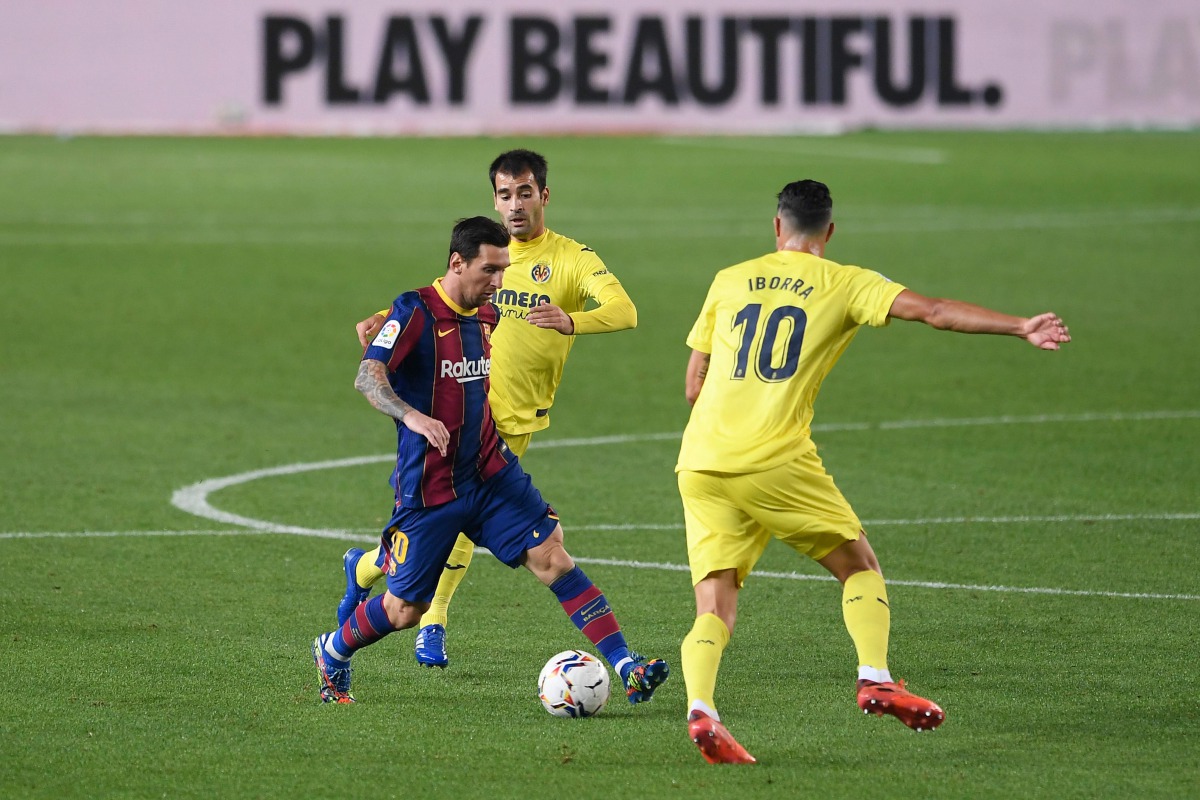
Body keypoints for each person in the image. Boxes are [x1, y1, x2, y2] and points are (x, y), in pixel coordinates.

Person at [676, 180, 1070, 764]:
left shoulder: (729, 278)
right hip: (774, 455)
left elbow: (693, 385)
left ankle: (702, 710)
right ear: (829, 232)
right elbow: (934, 313)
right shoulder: (846, 281)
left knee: (715, 603)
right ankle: (876, 676)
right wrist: (1019, 325)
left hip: (701, 460)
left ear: (776, 227)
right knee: (858, 562)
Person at [312, 216, 667, 706]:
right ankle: (332, 652)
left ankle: (628, 665)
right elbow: (368, 377)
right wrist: (412, 416)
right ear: (457, 263)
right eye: (489, 270)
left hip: (489, 471)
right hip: (431, 489)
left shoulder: (486, 313)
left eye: (503, 270)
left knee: (553, 558)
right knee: (404, 609)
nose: (498, 282)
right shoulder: (414, 312)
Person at [343, 149, 638, 671]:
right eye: (505, 195)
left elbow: (624, 310)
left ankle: (371, 568)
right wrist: (390, 321)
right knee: (442, 552)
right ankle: (425, 621)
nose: (515, 205)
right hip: (462, 432)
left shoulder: (564, 260)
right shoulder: (477, 261)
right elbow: (430, 309)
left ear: (544, 195)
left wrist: (571, 320)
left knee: (540, 549)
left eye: (525, 193)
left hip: (511, 422)